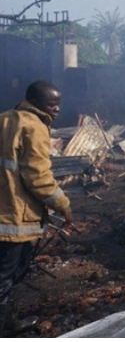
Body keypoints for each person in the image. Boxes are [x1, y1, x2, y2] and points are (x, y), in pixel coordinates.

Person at [0, 81, 72, 335]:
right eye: (52, 104)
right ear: (36, 102)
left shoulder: (5, 118)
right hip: (13, 217)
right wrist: (63, 204)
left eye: (58, 104)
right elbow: (38, 178)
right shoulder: (34, 127)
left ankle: (7, 323)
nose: (57, 109)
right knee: (6, 276)